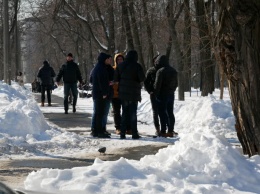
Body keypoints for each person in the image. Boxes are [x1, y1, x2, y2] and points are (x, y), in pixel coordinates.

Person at [114, 50, 145, 139]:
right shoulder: (137, 66)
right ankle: (134, 133)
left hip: (123, 93)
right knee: (133, 114)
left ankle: (122, 133)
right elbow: (142, 78)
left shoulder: (120, 66)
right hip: (134, 94)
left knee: (124, 113)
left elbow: (116, 79)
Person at [153, 55, 178, 137]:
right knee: (170, 112)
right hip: (171, 94)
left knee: (162, 112)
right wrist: (172, 90)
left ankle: (163, 130)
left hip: (162, 95)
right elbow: (176, 84)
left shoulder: (160, 71)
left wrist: (155, 94)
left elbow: (157, 85)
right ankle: (170, 130)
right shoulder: (174, 71)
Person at [90, 52, 113, 138]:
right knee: (99, 113)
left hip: (100, 93)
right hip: (100, 94)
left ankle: (98, 130)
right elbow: (101, 82)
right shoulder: (100, 68)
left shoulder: (101, 67)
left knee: (101, 112)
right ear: (104, 59)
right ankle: (99, 131)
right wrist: (104, 93)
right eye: (108, 59)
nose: (109, 60)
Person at [144, 54, 161, 136]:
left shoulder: (163, 69)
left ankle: (166, 128)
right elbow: (146, 82)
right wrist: (149, 91)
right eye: (156, 60)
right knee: (155, 112)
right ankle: (157, 128)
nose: (157, 61)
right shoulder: (150, 71)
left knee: (164, 112)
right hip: (153, 94)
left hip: (162, 94)